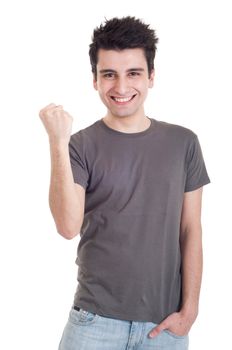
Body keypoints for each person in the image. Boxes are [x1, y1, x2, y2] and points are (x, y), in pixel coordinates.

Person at [39, 16, 210, 350]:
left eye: (133, 73)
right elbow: (67, 226)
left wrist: (190, 310)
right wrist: (57, 142)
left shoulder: (183, 143)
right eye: (109, 75)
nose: (120, 87)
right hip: (94, 323)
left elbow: (191, 229)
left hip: (164, 327)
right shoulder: (79, 146)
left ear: (151, 77)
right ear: (95, 80)